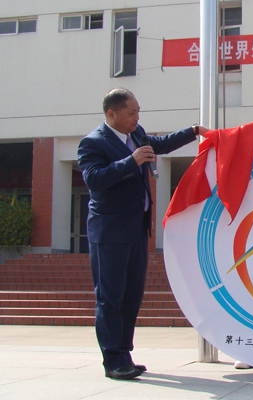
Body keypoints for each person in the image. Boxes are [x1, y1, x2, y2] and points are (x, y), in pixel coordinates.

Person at [77, 88, 208, 380]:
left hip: (137, 229)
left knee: (131, 296)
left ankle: (125, 354)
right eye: (131, 113)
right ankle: (113, 361)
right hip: (109, 233)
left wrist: (194, 131)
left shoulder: (136, 134)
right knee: (110, 298)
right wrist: (131, 161)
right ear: (112, 114)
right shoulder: (92, 143)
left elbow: (160, 144)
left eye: (138, 112)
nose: (137, 117)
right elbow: (94, 180)